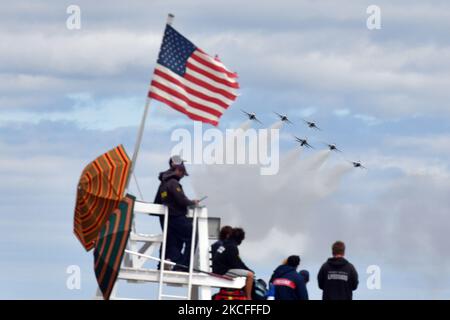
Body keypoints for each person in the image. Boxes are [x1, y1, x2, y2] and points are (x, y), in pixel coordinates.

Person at [154, 156, 199, 270]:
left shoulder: (163, 183)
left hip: (167, 218)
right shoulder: (173, 183)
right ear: (178, 170)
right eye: (183, 172)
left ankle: (166, 262)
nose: (183, 175)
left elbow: (161, 201)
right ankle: (183, 265)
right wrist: (192, 202)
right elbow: (181, 200)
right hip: (176, 217)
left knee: (172, 240)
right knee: (193, 236)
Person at [212, 228, 254, 300]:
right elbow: (235, 264)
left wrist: (246, 269)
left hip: (217, 270)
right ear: (240, 238)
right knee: (250, 275)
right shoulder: (232, 246)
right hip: (222, 272)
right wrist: (249, 271)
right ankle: (249, 298)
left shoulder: (225, 244)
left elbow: (237, 262)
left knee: (248, 272)